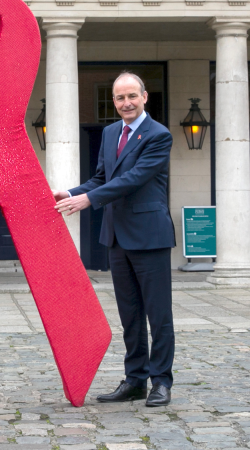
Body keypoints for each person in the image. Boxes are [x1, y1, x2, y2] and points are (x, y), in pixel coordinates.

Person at [53, 72, 176, 407]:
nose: (126, 104)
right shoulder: (110, 133)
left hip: (150, 235)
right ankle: (134, 380)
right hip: (117, 236)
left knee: (158, 314)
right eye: (120, 98)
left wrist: (90, 200)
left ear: (145, 96)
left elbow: (134, 179)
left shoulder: (158, 135)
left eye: (132, 96)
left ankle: (161, 382)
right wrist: (71, 192)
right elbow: (102, 178)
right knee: (130, 315)